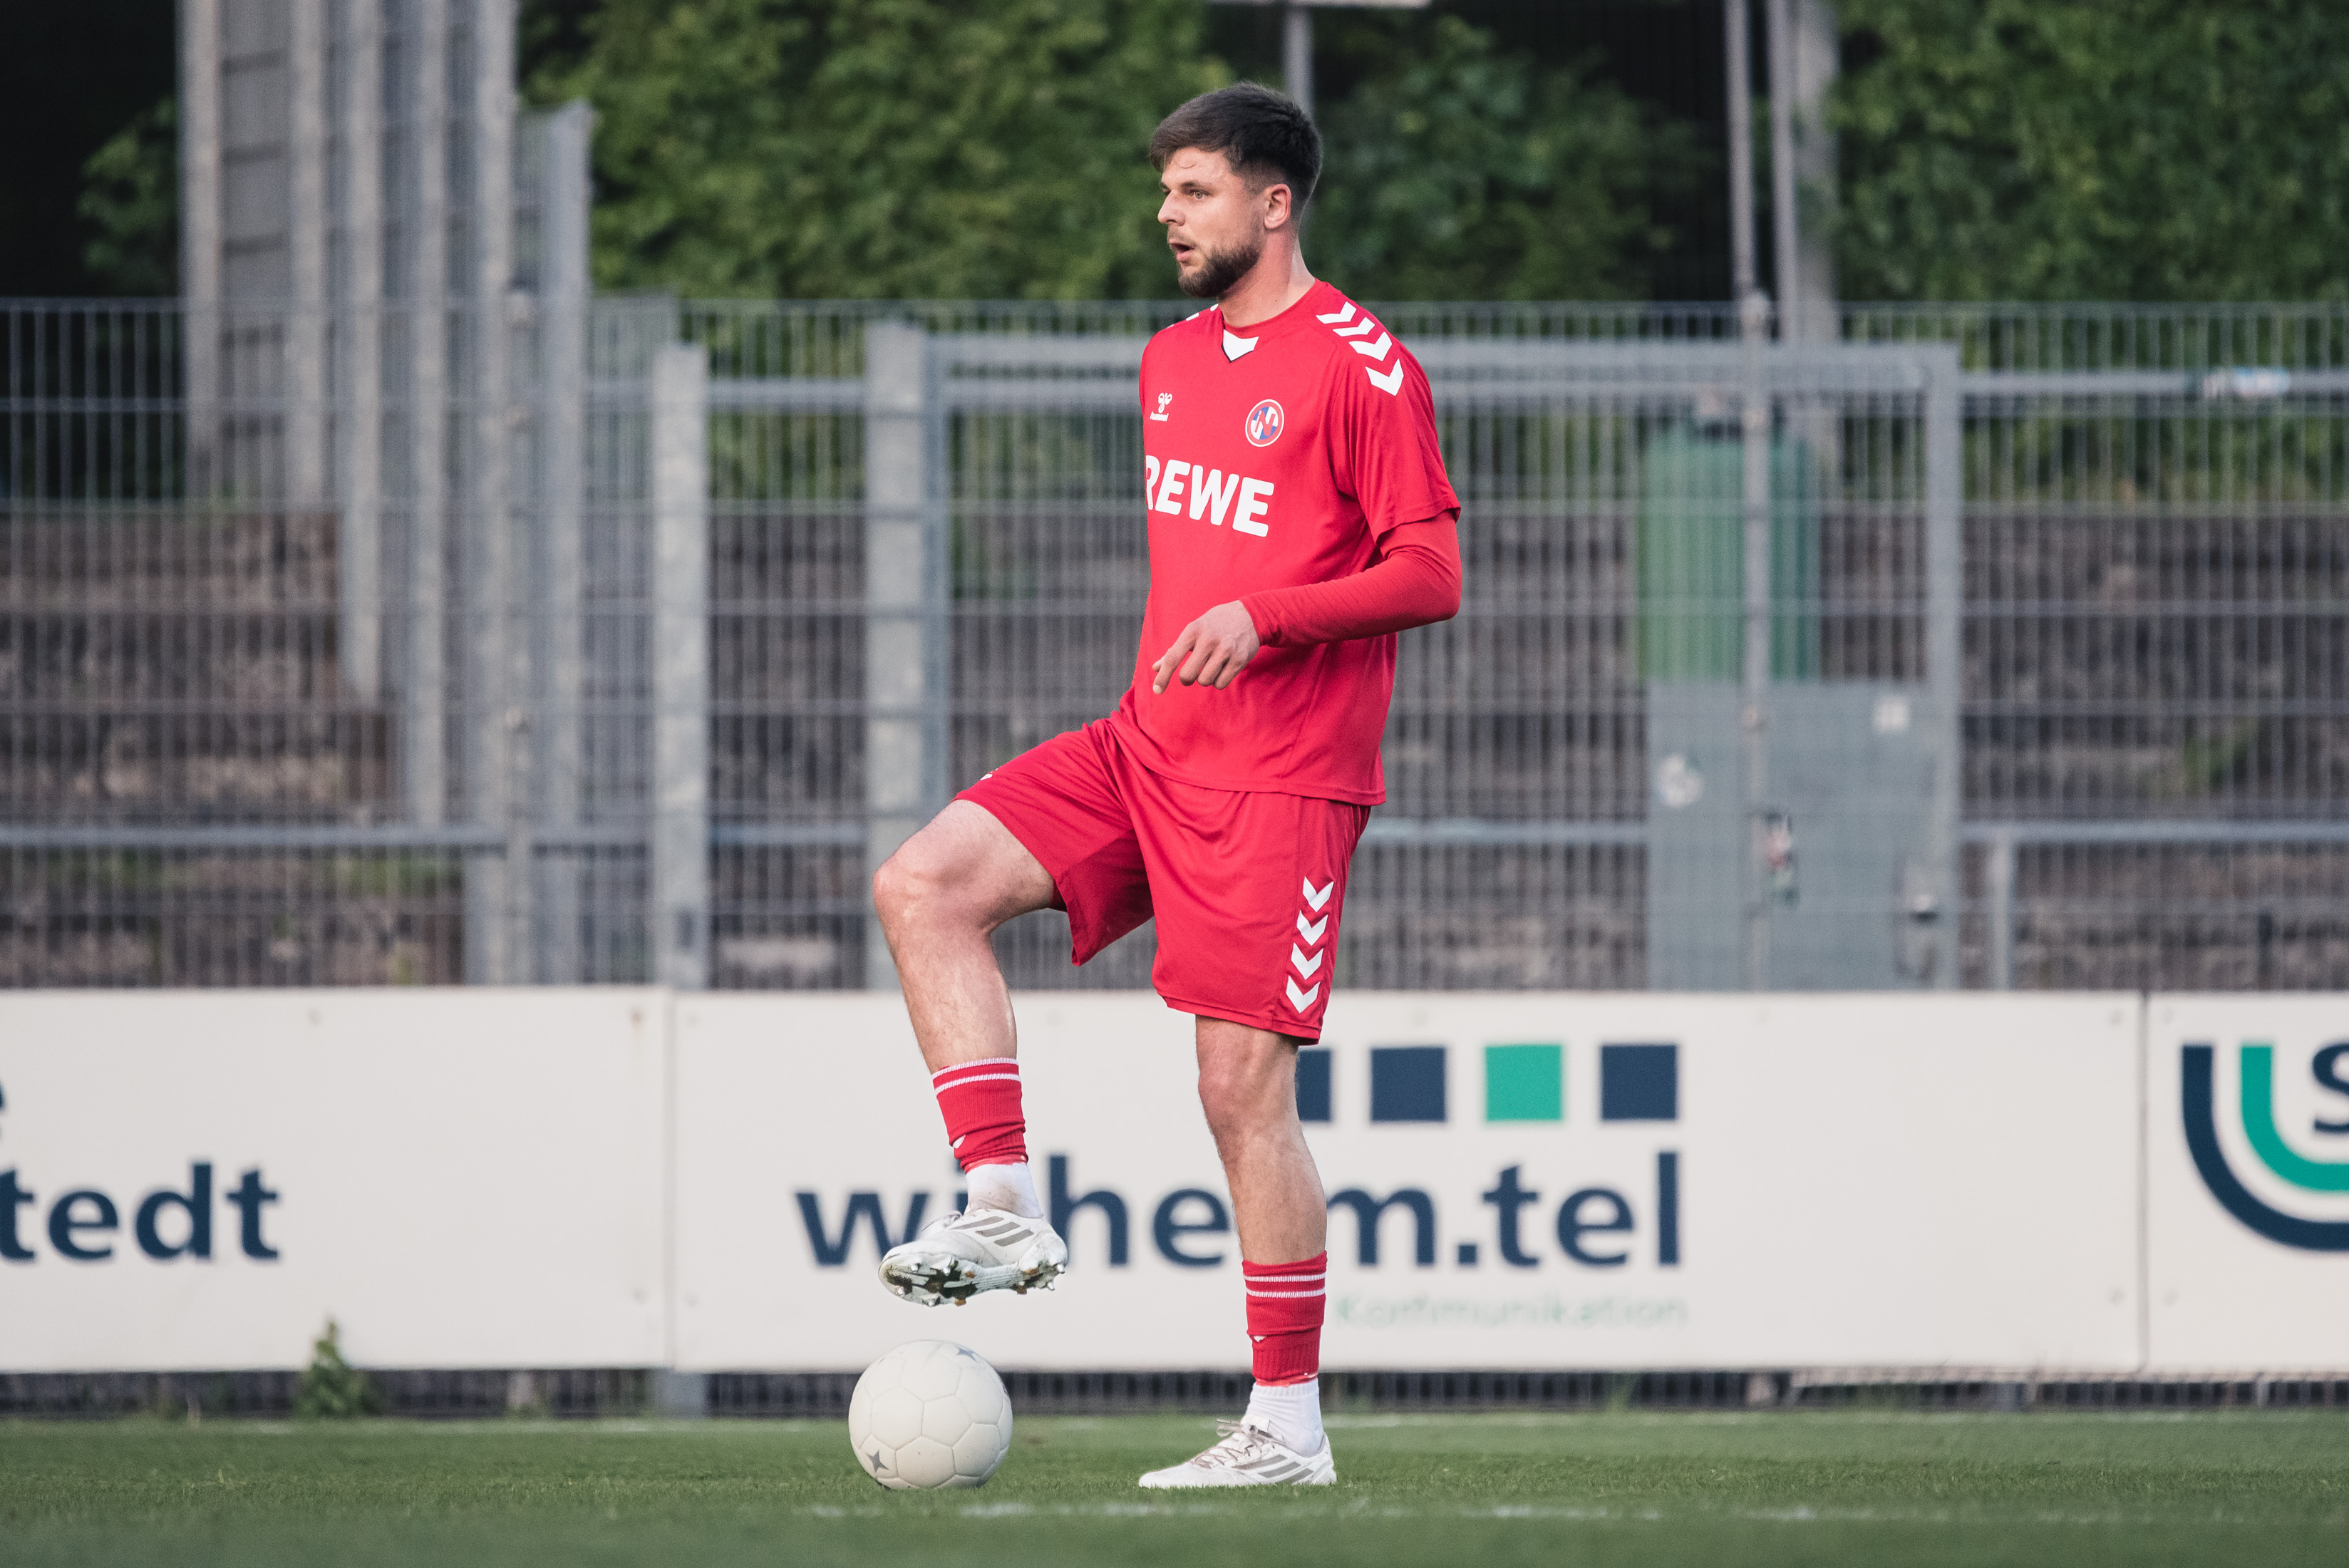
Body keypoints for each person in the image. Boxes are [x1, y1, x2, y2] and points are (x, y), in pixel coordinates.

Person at [869, 83, 1461, 1488]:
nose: (1165, 214)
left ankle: (1287, 1427)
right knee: (923, 882)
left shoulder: (1363, 365)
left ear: (1273, 202)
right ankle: (1001, 1202)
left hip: (1281, 778)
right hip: (1149, 746)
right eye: (1165, 191)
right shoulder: (1168, 360)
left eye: (1192, 191)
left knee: (1236, 1090)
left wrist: (1272, 616)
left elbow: (1429, 571)